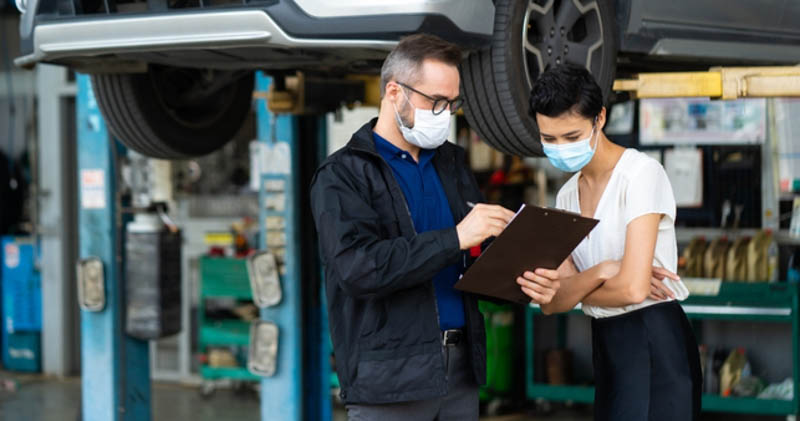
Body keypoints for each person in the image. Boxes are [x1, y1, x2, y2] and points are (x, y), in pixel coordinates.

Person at [310, 34, 558, 420]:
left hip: (460, 373)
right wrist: (457, 236)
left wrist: (522, 273)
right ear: (394, 92)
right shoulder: (343, 175)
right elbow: (358, 269)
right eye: (435, 101)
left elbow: (469, 262)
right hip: (390, 378)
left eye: (452, 103)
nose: (444, 112)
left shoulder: (451, 164)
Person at [516, 64, 703, 420]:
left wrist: (577, 287)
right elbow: (551, 304)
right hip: (605, 340)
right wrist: (605, 270)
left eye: (571, 137)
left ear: (599, 118)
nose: (560, 148)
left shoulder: (640, 175)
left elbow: (632, 291)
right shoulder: (568, 195)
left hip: (653, 339)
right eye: (549, 139)